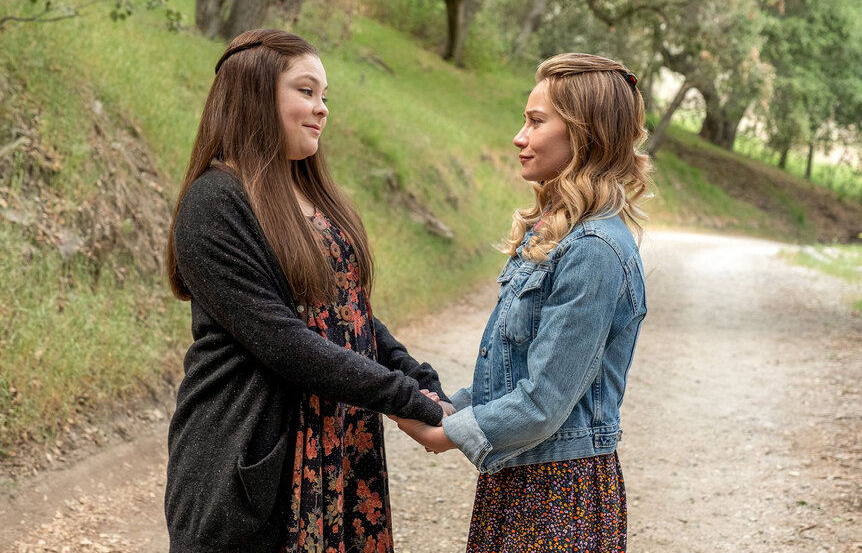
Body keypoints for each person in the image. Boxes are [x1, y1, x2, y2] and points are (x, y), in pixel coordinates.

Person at [164, 29, 450, 553]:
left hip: (339, 445)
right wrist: (405, 399)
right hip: (249, 455)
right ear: (253, 94)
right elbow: (283, 341)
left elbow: (350, 312)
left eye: (325, 97)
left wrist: (415, 375)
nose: (321, 109)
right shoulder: (215, 202)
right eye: (306, 91)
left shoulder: (311, 195)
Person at [391, 53, 651, 552]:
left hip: (557, 498)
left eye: (536, 121)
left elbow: (544, 403)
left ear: (584, 135)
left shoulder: (593, 250)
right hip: (523, 478)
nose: (519, 136)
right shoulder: (559, 235)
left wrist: (444, 434)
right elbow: (514, 378)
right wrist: (443, 406)